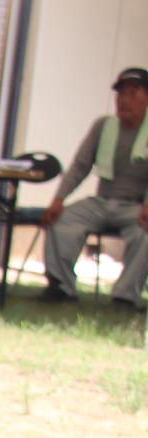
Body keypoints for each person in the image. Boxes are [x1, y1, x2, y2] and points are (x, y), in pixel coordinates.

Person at [39, 67, 148, 312]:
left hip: (136, 206)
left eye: (133, 93)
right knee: (61, 220)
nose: (124, 100)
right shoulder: (103, 126)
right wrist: (58, 199)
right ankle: (61, 286)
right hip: (102, 201)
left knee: (145, 234)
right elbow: (80, 166)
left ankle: (125, 297)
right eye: (121, 94)